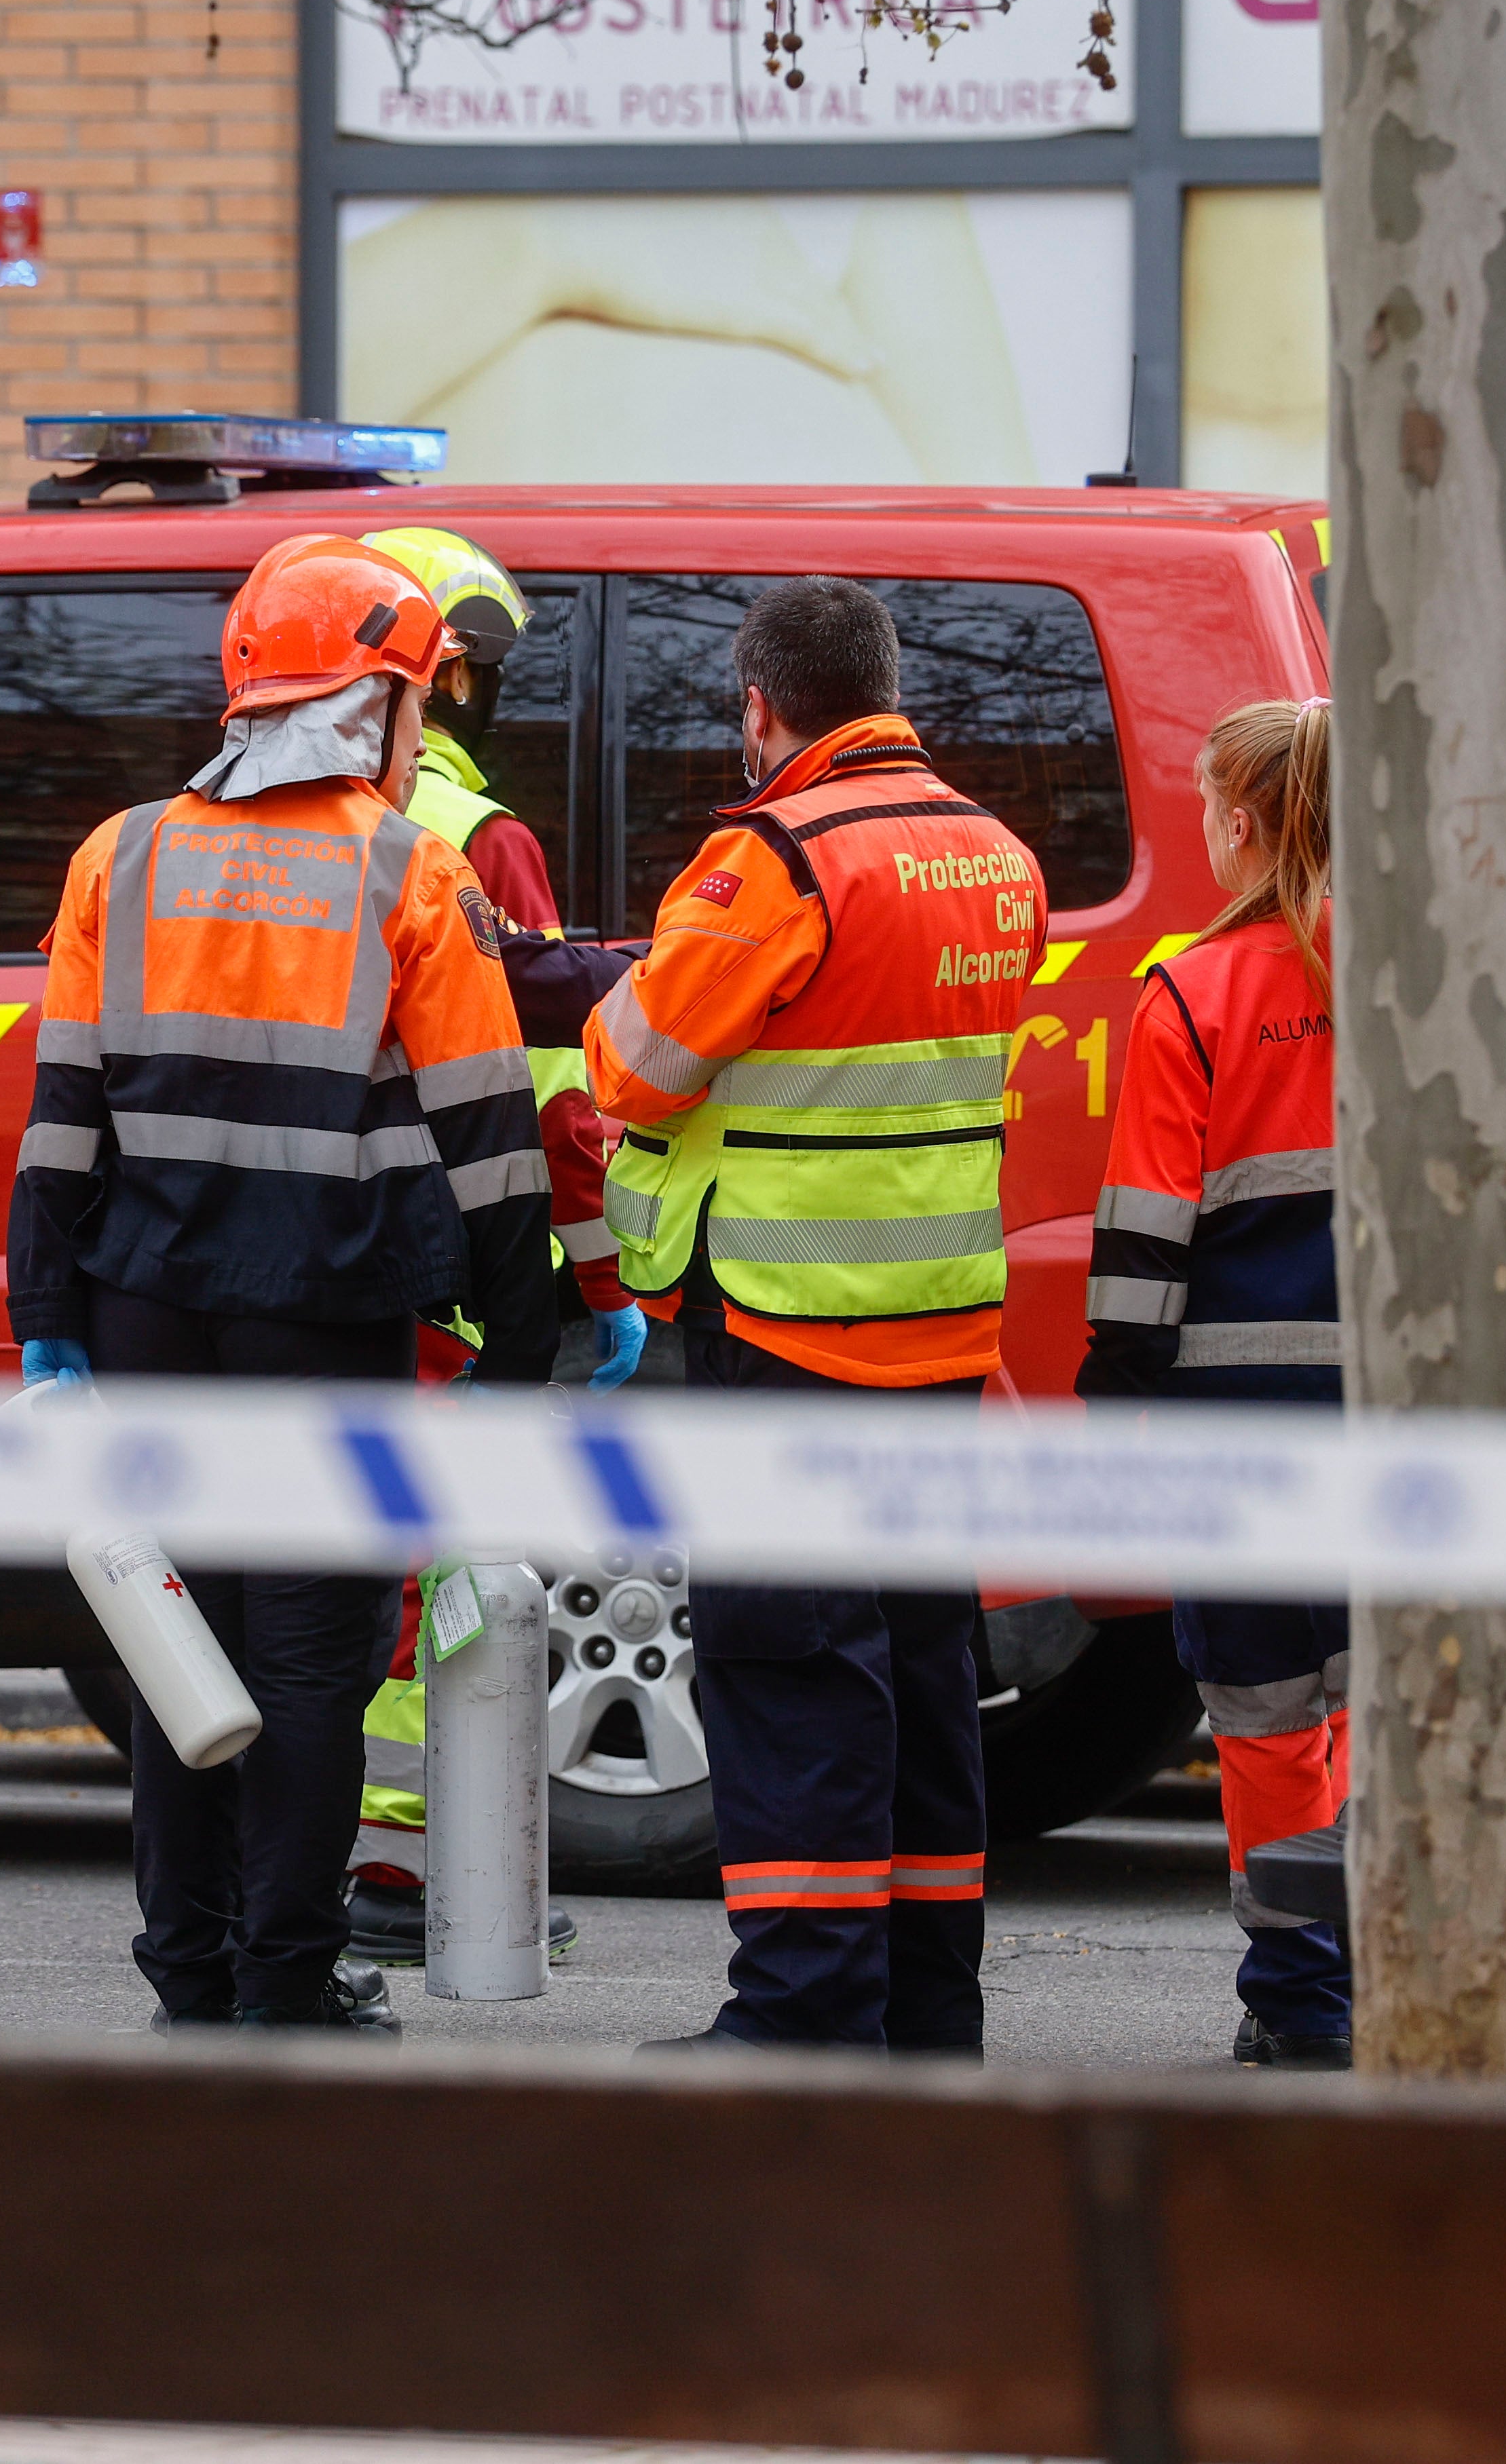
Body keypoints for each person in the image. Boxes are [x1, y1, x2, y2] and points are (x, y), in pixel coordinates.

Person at [8, 532, 561, 2033]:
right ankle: (285, 1975)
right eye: (416, 699)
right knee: (308, 1661)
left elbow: (62, 1113)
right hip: (322, 1316)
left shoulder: (117, 855)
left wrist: (44, 1312)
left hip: (142, 1308)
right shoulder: (406, 867)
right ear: (377, 703)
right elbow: (488, 1129)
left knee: (176, 1638)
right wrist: (530, 1332)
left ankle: (188, 1963)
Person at [509, 576, 1042, 2051]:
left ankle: (803, 2012)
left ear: (760, 704)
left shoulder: (774, 855)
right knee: (921, 1672)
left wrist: (616, 994)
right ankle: (930, 2007)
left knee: (790, 1669)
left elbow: (639, 1070)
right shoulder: (989, 850)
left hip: (789, 1321)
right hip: (940, 1317)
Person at [339, 525, 629, 1969]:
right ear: (442, 669)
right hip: (458, 1264)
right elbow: (549, 1086)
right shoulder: (477, 841)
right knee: (445, 1572)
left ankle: (322, 1877)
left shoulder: (272, 834)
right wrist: (594, 1270)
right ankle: (412, 1878)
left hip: (325, 1253)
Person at [1077, 696, 1352, 2071]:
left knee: (1260, 1720)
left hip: (1237, 1429)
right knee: (1375, 1702)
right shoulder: (1409, 982)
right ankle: (1389, 1969)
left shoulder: (1190, 989)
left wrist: (1114, 1409)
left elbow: (1139, 1249)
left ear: (1239, 822)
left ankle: (1301, 1997)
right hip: (1395, 1423)